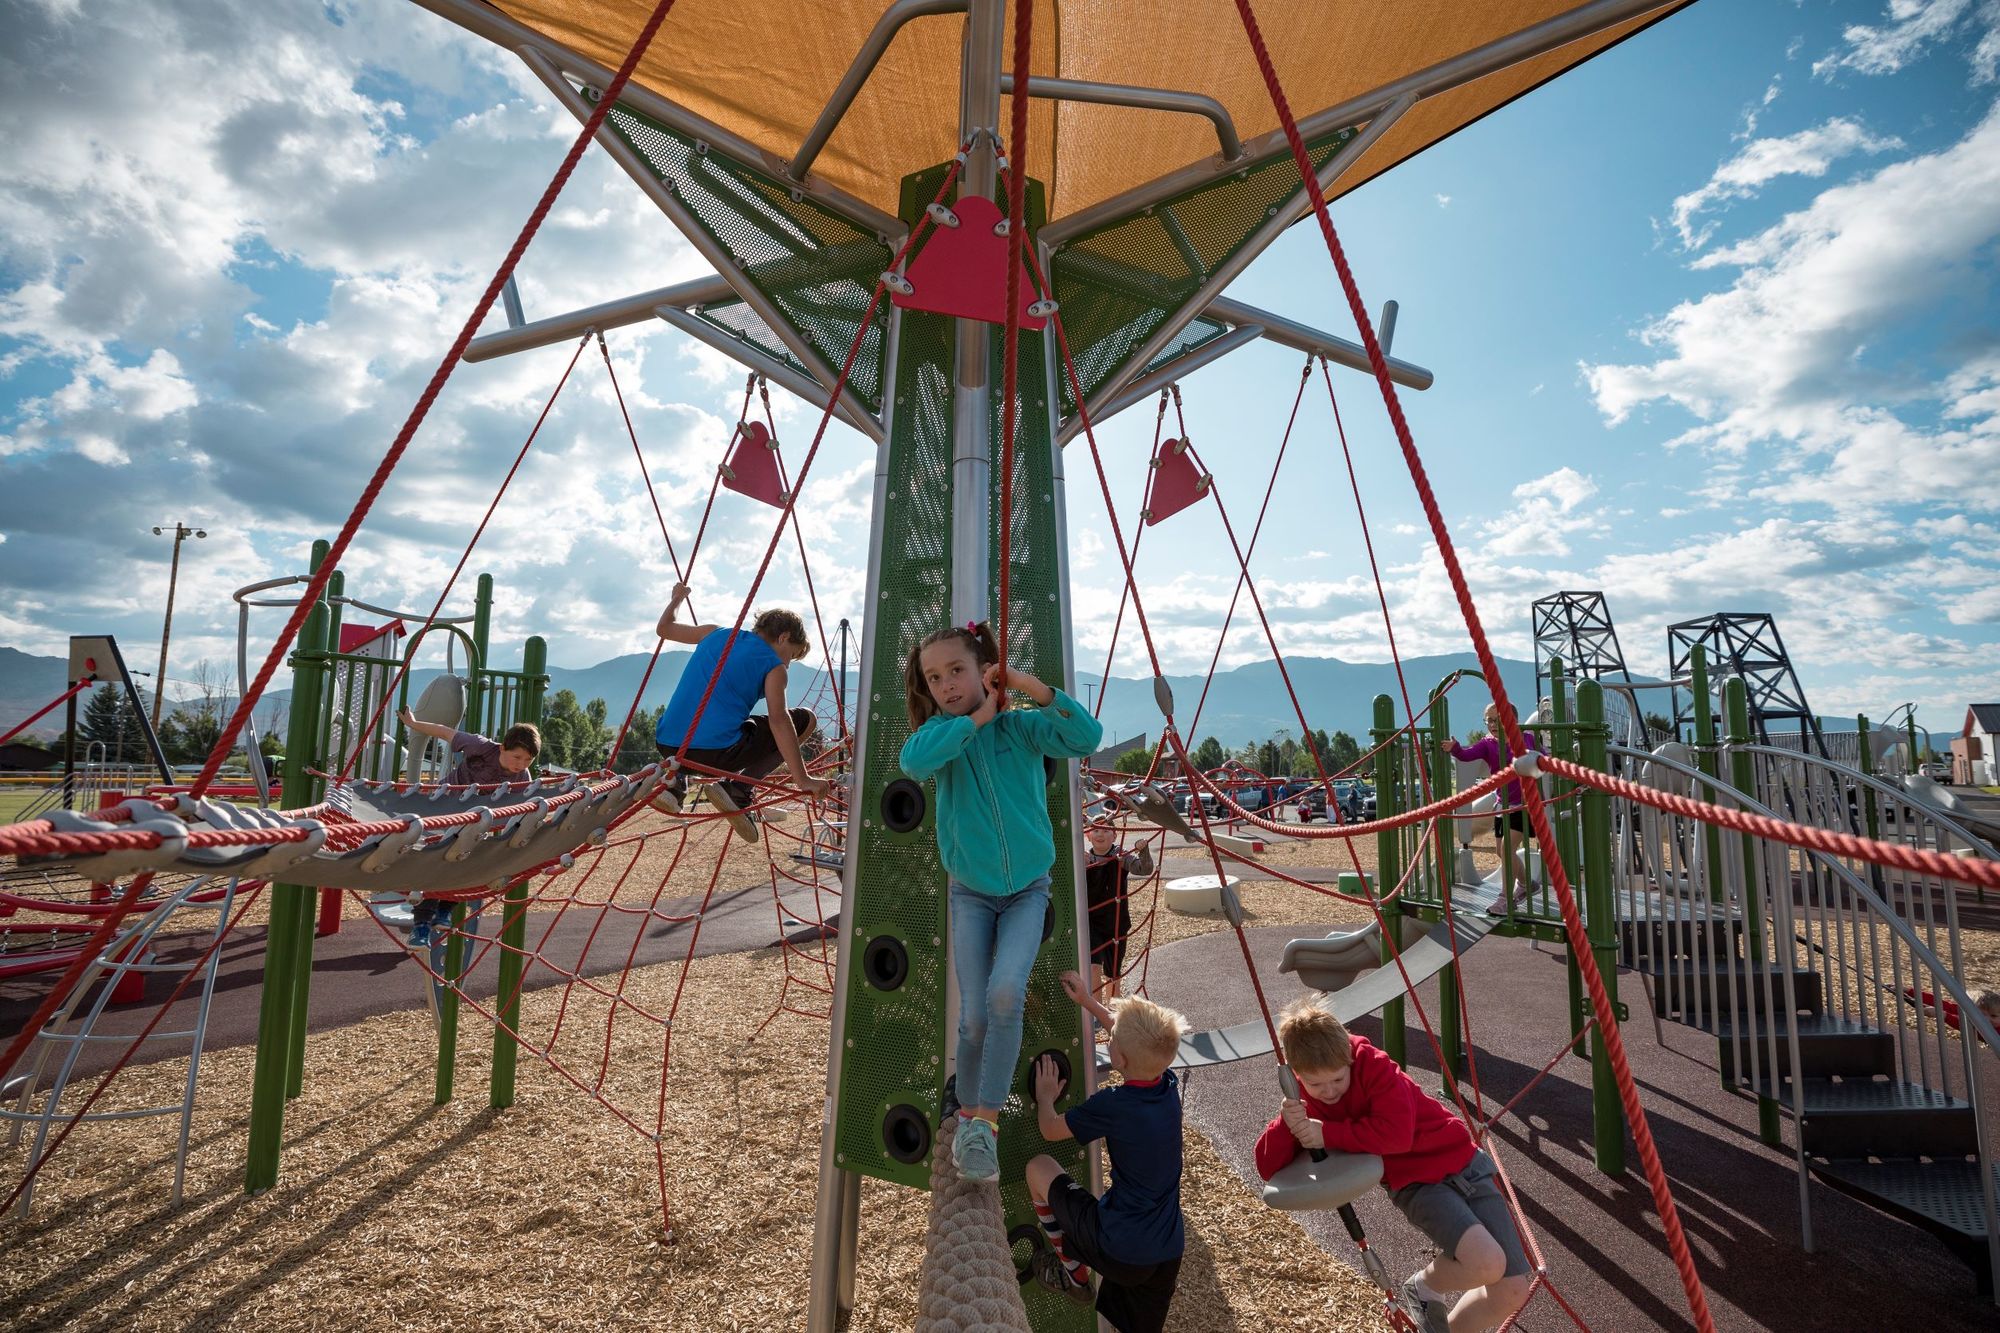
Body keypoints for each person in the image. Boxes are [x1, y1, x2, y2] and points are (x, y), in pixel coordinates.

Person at [899, 622, 1102, 1182]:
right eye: (934, 677)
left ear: (985, 670)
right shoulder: (942, 736)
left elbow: (1086, 737)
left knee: (1006, 994)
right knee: (973, 1020)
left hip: (1027, 891)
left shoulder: (1020, 729)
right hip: (970, 894)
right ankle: (967, 1112)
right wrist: (973, 720)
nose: (945, 684)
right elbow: (913, 763)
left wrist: (1029, 687)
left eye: (956, 671)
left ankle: (980, 1125)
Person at [1255, 1001, 1529, 1333]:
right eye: (1315, 1084)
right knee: (1487, 1263)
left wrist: (1326, 1132)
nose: (1328, 1091)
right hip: (1415, 1181)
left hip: (1463, 1160)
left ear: (1349, 1060)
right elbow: (1268, 1166)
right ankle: (1423, 1287)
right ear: (1297, 1075)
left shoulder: (1374, 1066)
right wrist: (1287, 1123)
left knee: (1511, 1290)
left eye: (1338, 1079)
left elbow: (1396, 1134)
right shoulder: (1303, 1098)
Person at [1024, 972, 1187, 1331]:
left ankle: (1074, 1273)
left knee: (1038, 1167)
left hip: (1120, 1247)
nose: (1108, 1035)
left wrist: (1047, 1097)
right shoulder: (1167, 1082)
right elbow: (1126, 1035)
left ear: (1121, 1060)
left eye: (1110, 1039)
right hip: (1167, 1251)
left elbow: (1050, 1130)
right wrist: (1087, 1001)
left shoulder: (1115, 1104)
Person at [654, 582, 829, 843]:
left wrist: (677, 599)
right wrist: (802, 779)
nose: (787, 664)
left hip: (667, 745)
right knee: (805, 720)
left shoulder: (714, 633)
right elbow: (780, 721)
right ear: (783, 637)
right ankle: (739, 788)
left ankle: (675, 780)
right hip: (716, 755)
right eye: (790, 655)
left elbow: (664, 629)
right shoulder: (774, 668)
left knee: (720, 723)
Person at [398, 708, 540, 945]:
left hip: (471, 822)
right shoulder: (482, 747)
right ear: (503, 748)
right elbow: (445, 733)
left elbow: (523, 807)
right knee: (436, 862)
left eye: (528, 760)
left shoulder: (522, 777)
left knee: (466, 864)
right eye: (517, 757)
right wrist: (413, 724)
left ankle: (444, 911)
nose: (521, 764)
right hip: (443, 806)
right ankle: (421, 925)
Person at [1449, 703, 1544, 915]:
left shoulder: (1527, 740)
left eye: (1497, 719)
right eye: (1489, 720)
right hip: (1502, 805)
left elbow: (1543, 760)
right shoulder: (1488, 744)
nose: (1492, 724)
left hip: (1524, 805)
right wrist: (1455, 748)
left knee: (1508, 849)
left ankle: (1505, 899)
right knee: (1501, 851)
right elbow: (1467, 755)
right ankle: (1527, 884)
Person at [1083, 816, 1152, 1003]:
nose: (1100, 834)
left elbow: (1144, 869)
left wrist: (1143, 850)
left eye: (1106, 830)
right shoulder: (1084, 859)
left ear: (1114, 836)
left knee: (1113, 972)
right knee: (1092, 968)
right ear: (1088, 835)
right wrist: (1078, 863)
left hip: (1116, 923)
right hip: (1091, 923)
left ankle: (1112, 1013)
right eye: (1096, 830)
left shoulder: (1120, 857)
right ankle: (1096, 1013)